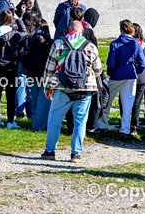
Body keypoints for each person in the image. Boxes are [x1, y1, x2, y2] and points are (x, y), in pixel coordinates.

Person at [41, 19, 102, 163]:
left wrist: (47, 86)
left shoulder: (58, 43)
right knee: (80, 122)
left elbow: (49, 68)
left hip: (62, 88)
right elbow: (98, 70)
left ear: (69, 29)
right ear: (82, 31)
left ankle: (50, 151)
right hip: (84, 89)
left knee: (54, 120)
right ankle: (76, 154)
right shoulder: (90, 46)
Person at [98, 19, 145, 138]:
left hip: (117, 75)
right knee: (127, 104)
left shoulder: (115, 43)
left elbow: (111, 62)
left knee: (106, 100)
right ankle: (125, 129)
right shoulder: (136, 43)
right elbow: (142, 62)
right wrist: (136, 70)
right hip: (131, 75)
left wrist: (110, 73)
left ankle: (103, 125)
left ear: (120, 29)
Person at [0, 10, 23, 128]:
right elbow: (25, 33)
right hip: (10, 67)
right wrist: (18, 19)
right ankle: (10, 121)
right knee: (10, 95)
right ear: (11, 20)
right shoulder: (15, 34)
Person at [19, 11, 52, 131]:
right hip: (44, 74)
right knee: (44, 101)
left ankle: (36, 123)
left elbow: (23, 56)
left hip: (32, 73)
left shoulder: (29, 40)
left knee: (34, 100)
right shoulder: (49, 42)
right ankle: (42, 124)